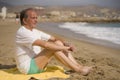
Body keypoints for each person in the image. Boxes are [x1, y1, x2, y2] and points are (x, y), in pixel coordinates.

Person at [15, 8, 92, 75]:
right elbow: (46, 45)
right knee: (53, 48)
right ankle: (78, 70)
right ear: (24, 20)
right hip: (27, 68)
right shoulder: (22, 32)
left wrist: (65, 43)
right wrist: (66, 48)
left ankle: (78, 66)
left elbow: (54, 39)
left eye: (36, 18)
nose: (36, 20)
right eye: (33, 18)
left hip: (37, 63)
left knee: (57, 43)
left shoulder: (35, 31)